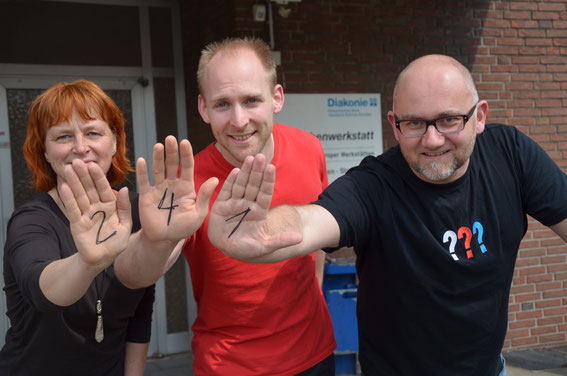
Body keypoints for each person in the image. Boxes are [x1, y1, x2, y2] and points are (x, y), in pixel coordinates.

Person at [207, 54, 567, 376]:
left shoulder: (511, 155)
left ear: (480, 117)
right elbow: (313, 220)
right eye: (414, 124)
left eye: (449, 120)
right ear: (394, 124)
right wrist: (264, 231)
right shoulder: (374, 185)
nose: (432, 140)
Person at [0, 80, 216, 375]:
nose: (80, 147)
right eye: (63, 136)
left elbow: (140, 309)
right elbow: (41, 292)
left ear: (115, 142)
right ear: (45, 152)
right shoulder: (31, 220)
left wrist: (159, 241)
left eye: (92, 133)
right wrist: (86, 262)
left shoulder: (143, 211)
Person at [179, 37, 336, 375]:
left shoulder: (309, 148)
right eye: (222, 104)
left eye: (251, 100)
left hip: (314, 354)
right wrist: (151, 239)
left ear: (276, 98)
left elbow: (318, 232)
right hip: (229, 365)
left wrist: (317, 292)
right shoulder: (188, 181)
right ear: (203, 108)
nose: (239, 120)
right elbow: (150, 268)